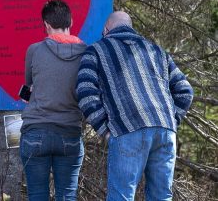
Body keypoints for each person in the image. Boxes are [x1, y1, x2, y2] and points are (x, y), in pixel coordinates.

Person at [76, 11, 194, 201]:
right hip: (165, 130)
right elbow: (185, 91)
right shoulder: (157, 51)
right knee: (162, 196)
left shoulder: (96, 50)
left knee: (121, 197)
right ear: (130, 27)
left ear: (106, 30)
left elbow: (85, 93)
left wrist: (105, 130)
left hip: (127, 128)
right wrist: (172, 120)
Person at [20, 0, 87, 200]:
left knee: (37, 194)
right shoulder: (86, 53)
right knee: (67, 195)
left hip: (35, 132)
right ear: (71, 22)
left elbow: (29, 84)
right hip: (70, 132)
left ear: (46, 24)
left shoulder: (34, 50)